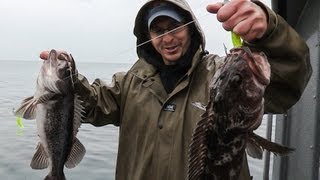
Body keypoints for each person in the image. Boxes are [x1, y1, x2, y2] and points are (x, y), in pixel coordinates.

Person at [40, 0, 312, 179]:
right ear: (147, 37)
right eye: (157, 31)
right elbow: (92, 104)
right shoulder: (130, 83)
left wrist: (270, 32)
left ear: (191, 29)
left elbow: (288, 81)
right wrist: (69, 79)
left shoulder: (221, 74)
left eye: (174, 28)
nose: (167, 38)